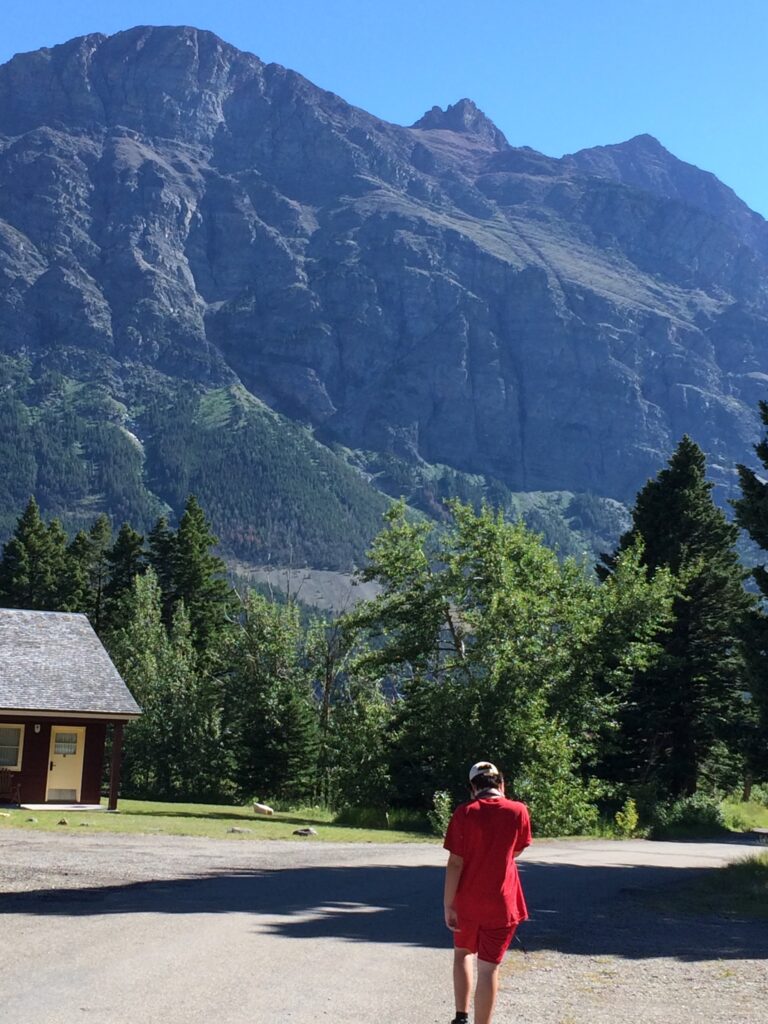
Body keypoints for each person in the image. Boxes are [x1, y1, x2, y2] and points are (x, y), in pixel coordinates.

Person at [442, 761, 532, 1024]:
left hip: (467, 901)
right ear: (501, 784)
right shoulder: (518, 811)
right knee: (489, 967)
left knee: (462, 953)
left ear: (473, 788)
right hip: (503, 903)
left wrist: (449, 904)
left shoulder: (464, 813)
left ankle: (461, 1017)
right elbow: (516, 851)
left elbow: (455, 862)